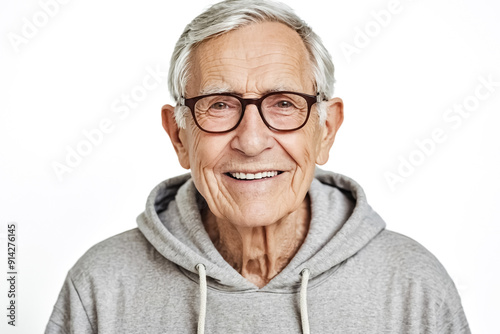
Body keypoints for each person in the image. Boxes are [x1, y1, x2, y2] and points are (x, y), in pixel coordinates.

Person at [45, 0, 470, 333]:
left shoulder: (415, 287)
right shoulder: (100, 286)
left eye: (284, 103)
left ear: (326, 130)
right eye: (219, 105)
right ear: (179, 137)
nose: (251, 141)